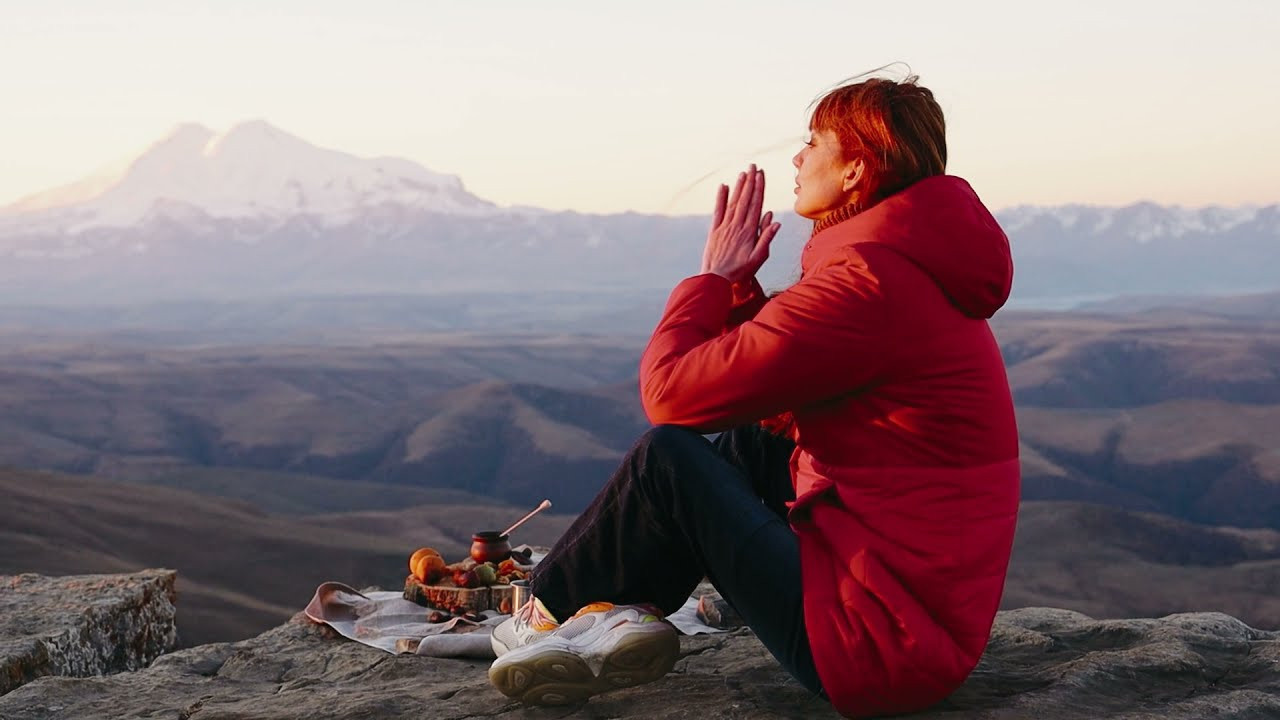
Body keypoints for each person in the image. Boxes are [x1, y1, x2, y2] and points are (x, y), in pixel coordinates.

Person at [486, 73, 1020, 719]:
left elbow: (671, 397)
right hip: (903, 622)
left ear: (856, 170)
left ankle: (547, 618)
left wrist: (710, 279)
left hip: (874, 648)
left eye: (815, 141)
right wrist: (741, 293)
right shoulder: (904, 269)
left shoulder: (868, 282)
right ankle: (615, 615)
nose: (798, 158)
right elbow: (774, 392)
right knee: (751, 436)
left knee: (669, 458)